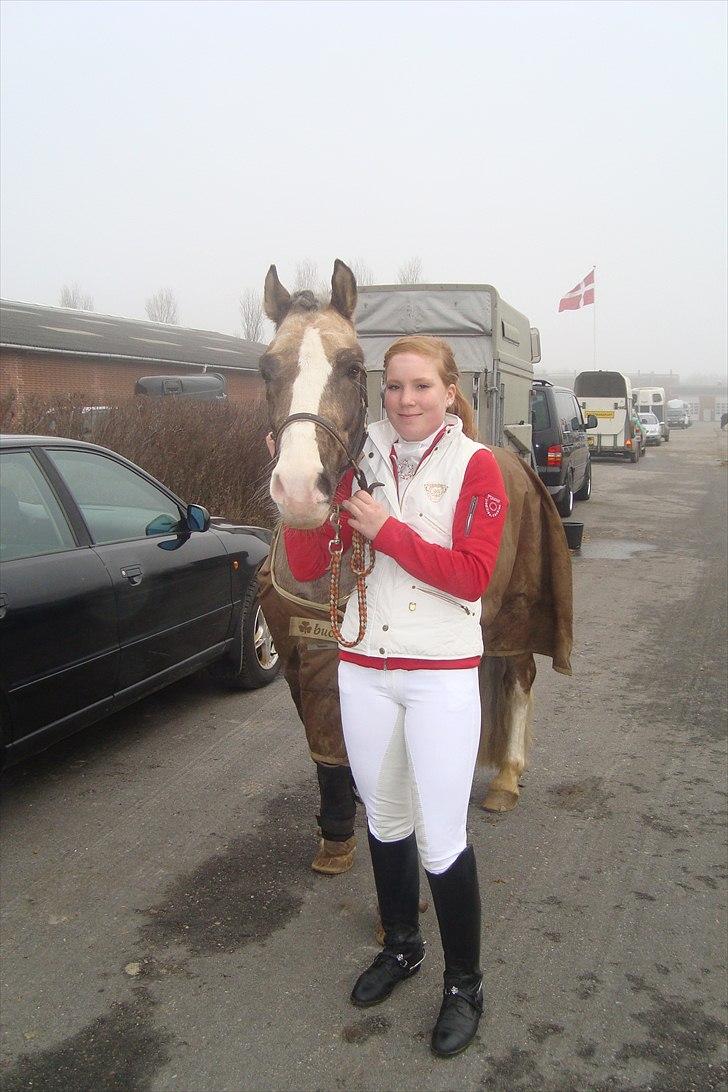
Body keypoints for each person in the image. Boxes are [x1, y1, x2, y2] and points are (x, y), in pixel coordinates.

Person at [280, 335, 508, 1058]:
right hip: (364, 666)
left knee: (442, 836)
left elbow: (471, 575)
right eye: (395, 387)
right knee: (385, 820)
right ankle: (403, 946)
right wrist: (306, 496)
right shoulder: (358, 453)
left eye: (421, 386)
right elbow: (313, 562)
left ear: (448, 390)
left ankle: (464, 984)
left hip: (439, 674)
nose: (405, 400)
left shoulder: (477, 465)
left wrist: (390, 529)